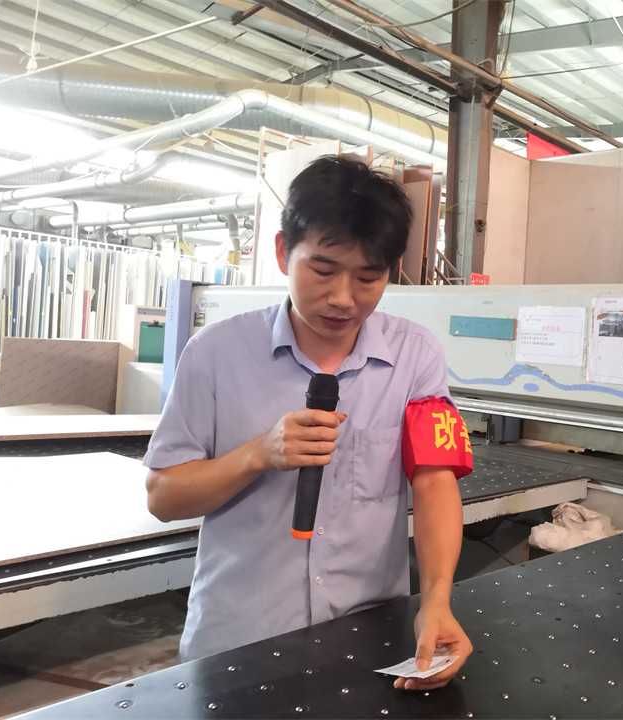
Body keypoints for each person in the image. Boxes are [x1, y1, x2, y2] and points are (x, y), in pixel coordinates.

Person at [144, 155, 473, 691]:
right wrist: (257, 454)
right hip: (238, 642)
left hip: (367, 635)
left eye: (368, 277)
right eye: (322, 270)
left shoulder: (416, 356)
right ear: (282, 252)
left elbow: (435, 482)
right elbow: (163, 497)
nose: (343, 298)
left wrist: (437, 601)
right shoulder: (214, 354)